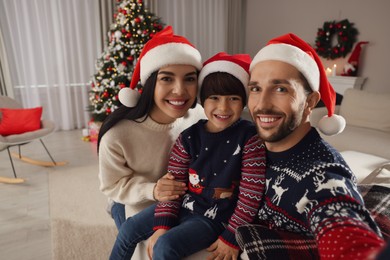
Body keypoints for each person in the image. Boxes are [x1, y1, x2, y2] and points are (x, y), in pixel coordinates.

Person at [239, 33, 386, 259]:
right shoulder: (249, 143)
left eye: (280, 89)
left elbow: (343, 230)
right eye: (256, 89)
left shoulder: (323, 178)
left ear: (310, 102)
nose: (261, 104)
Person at [109, 52, 267, 260]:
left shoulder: (250, 139)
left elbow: (251, 195)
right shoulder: (189, 137)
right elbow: (173, 185)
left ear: (244, 101)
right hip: (185, 203)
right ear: (202, 99)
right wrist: (162, 224)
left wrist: (231, 235)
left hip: (214, 217)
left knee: (165, 246)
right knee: (129, 229)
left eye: (233, 99)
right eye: (214, 98)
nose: (223, 107)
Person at [98, 25, 204, 231]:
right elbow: (111, 185)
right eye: (167, 78)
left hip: (182, 198)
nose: (180, 90)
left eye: (189, 79)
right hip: (132, 198)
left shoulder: (201, 116)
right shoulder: (117, 135)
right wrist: (152, 190)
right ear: (150, 83)